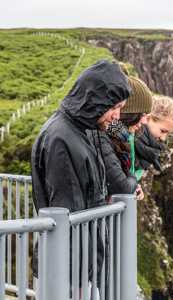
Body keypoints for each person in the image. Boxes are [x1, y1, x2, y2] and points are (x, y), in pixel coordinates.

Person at [30, 60, 131, 286]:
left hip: (81, 265)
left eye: (121, 108)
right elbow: (68, 214)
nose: (117, 116)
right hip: (69, 270)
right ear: (95, 101)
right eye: (114, 107)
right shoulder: (61, 138)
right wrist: (81, 277)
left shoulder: (85, 129)